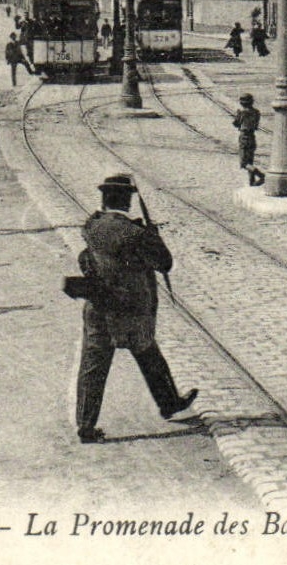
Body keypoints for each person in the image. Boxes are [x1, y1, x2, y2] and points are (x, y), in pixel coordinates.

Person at [69, 174, 196, 443]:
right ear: (127, 201)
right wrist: (154, 236)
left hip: (99, 305)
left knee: (93, 366)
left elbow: (86, 257)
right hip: (131, 309)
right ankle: (169, 403)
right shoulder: (135, 233)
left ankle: (86, 425)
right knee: (148, 354)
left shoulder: (92, 226)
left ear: (104, 200)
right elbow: (165, 263)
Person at [232, 93, 262, 173]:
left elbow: (236, 124)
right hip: (252, 136)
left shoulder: (241, 112)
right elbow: (256, 125)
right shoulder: (256, 112)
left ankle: (261, 175)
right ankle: (252, 181)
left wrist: (237, 116)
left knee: (243, 163)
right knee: (250, 161)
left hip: (244, 136)